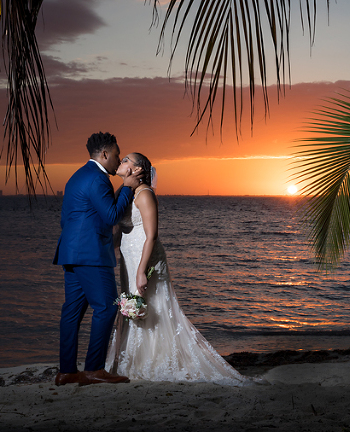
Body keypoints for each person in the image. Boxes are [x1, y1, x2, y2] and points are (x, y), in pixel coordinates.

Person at [105, 153, 252, 384]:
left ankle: (153, 360)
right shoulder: (126, 192)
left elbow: (151, 235)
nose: (121, 163)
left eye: (125, 161)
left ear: (137, 170)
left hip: (145, 258)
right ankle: (131, 359)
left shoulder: (144, 195)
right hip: (129, 256)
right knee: (132, 306)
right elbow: (121, 229)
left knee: (152, 306)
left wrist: (142, 270)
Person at [53, 132, 143, 386]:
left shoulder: (78, 176)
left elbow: (67, 219)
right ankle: (94, 369)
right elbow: (112, 216)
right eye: (116, 154)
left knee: (72, 312)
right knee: (106, 307)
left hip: (71, 252)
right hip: (90, 254)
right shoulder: (98, 179)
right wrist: (126, 187)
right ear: (104, 154)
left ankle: (67, 371)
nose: (117, 160)